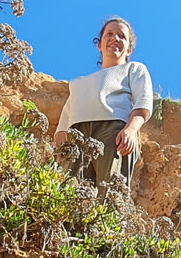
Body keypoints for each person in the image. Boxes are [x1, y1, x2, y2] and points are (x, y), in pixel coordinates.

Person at [54, 16, 154, 190]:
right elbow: (63, 129)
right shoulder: (78, 84)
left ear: (129, 50)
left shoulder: (134, 69)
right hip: (76, 136)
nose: (115, 38)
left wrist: (130, 130)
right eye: (109, 34)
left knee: (109, 193)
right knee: (68, 193)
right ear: (99, 45)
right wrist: (60, 154)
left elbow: (142, 104)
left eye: (121, 36)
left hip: (114, 133)